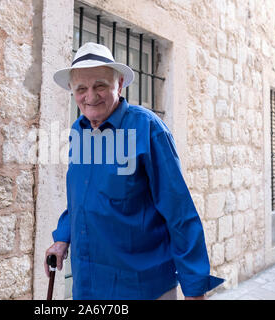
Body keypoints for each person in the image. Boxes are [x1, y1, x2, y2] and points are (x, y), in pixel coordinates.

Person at [44, 42, 223, 300]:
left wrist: (194, 288)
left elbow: (179, 212)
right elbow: (79, 199)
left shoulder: (148, 128)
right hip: (88, 285)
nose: (90, 96)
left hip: (141, 287)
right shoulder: (78, 132)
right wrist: (62, 238)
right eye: (81, 88)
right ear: (73, 92)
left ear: (119, 85)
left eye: (100, 86)